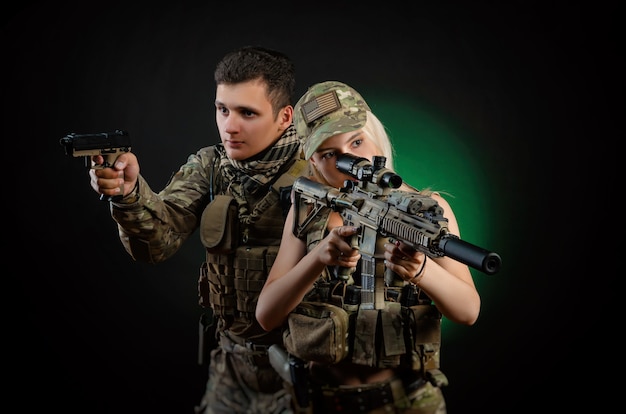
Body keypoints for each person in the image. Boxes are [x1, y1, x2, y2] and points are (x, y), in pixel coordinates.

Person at [89, 46, 307, 414]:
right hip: (232, 369)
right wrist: (129, 194)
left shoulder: (316, 172)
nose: (229, 126)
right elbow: (157, 242)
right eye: (222, 109)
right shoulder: (212, 166)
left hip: (303, 372)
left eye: (247, 113)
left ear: (285, 116)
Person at [255, 81, 481, 413]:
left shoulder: (429, 211)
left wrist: (420, 270)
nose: (350, 159)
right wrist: (319, 257)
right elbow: (267, 314)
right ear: (313, 162)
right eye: (330, 154)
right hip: (321, 402)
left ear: (376, 134)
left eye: (357, 140)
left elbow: (468, 311)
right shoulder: (308, 209)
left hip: (407, 401)